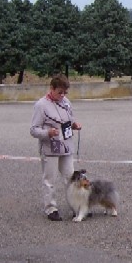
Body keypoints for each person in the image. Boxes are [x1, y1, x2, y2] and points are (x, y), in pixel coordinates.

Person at [30, 74, 82, 221]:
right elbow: (33, 129)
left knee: (70, 178)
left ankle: (76, 206)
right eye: (60, 92)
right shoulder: (41, 105)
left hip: (66, 146)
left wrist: (74, 125)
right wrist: (48, 132)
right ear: (51, 89)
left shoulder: (66, 102)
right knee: (49, 179)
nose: (63, 95)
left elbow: (69, 120)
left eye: (65, 93)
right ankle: (51, 208)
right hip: (50, 147)